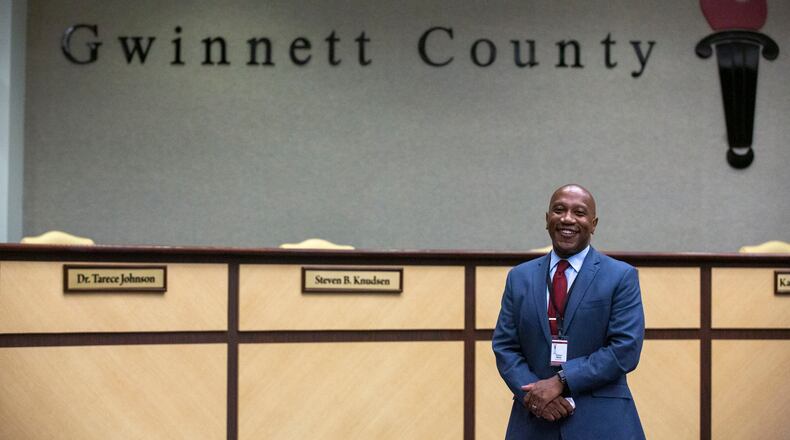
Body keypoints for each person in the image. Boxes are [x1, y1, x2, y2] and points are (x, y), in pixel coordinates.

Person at [492, 184, 645, 439]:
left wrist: (561, 381)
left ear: (593, 224)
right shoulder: (519, 277)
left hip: (602, 423)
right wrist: (534, 395)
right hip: (535, 422)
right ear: (547, 219)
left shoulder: (620, 276)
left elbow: (625, 349)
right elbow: (505, 346)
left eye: (579, 212)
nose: (567, 219)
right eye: (559, 210)